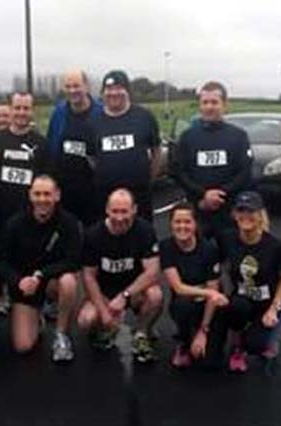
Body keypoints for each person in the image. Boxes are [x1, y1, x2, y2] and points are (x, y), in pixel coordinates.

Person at [0, 175, 81, 362]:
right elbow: (1, 262)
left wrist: (41, 275)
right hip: (25, 287)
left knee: (68, 281)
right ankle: (37, 316)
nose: (42, 199)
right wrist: (18, 281)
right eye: (37, 194)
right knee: (23, 346)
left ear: (57, 195)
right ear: (30, 195)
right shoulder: (14, 224)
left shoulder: (69, 222)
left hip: (51, 281)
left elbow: (73, 261)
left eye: (47, 194)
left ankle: (61, 334)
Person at [77, 188, 163, 363]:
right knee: (86, 320)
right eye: (115, 211)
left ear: (134, 209)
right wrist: (103, 311)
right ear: (107, 210)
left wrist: (125, 296)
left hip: (134, 292)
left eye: (124, 211)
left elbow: (153, 272)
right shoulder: (93, 235)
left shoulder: (145, 230)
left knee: (155, 295)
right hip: (105, 292)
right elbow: (88, 277)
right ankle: (105, 329)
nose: (119, 217)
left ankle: (141, 333)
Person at [219, 191, 281, 373]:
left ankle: (266, 337)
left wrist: (275, 308)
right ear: (234, 215)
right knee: (235, 306)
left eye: (251, 211)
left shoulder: (275, 246)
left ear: (260, 215)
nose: (245, 216)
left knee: (258, 346)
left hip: (269, 305)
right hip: (243, 300)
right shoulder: (227, 239)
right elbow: (212, 262)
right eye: (241, 210)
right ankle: (237, 348)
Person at [171, 81, 253, 240]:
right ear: (200, 105)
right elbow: (179, 172)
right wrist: (203, 196)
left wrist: (221, 195)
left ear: (224, 104)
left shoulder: (238, 136)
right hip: (198, 210)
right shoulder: (188, 137)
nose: (209, 107)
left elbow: (245, 172)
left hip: (230, 211)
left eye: (214, 102)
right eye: (205, 102)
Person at [160, 202, 229, 369]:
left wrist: (203, 331)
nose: (182, 226)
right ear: (171, 224)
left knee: (210, 363)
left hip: (211, 306)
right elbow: (178, 288)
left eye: (187, 222)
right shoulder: (166, 246)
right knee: (182, 303)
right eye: (177, 222)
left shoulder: (209, 249)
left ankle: (206, 333)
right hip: (186, 303)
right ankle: (183, 342)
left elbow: (214, 291)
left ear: (195, 224)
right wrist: (209, 293)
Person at [91, 70, 161, 222]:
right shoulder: (93, 121)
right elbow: (91, 158)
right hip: (106, 196)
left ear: (127, 91)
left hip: (139, 195)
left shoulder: (144, 117)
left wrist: (149, 179)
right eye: (109, 89)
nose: (113, 93)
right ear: (103, 93)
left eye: (118, 88)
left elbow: (156, 150)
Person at [0, 92, 49, 241]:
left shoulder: (42, 144)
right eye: (17, 108)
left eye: (26, 108)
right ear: (10, 110)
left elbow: (48, 181)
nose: (21, 112)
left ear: (32, 111)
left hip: (31, 220)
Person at [46, 69, 103, 226]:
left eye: (76, 86)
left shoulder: (101, 113)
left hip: (94, 195)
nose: (72, 91)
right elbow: (50, 149)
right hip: (64, 195)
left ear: (86, 86)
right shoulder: (59, 113)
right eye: (68, 86)